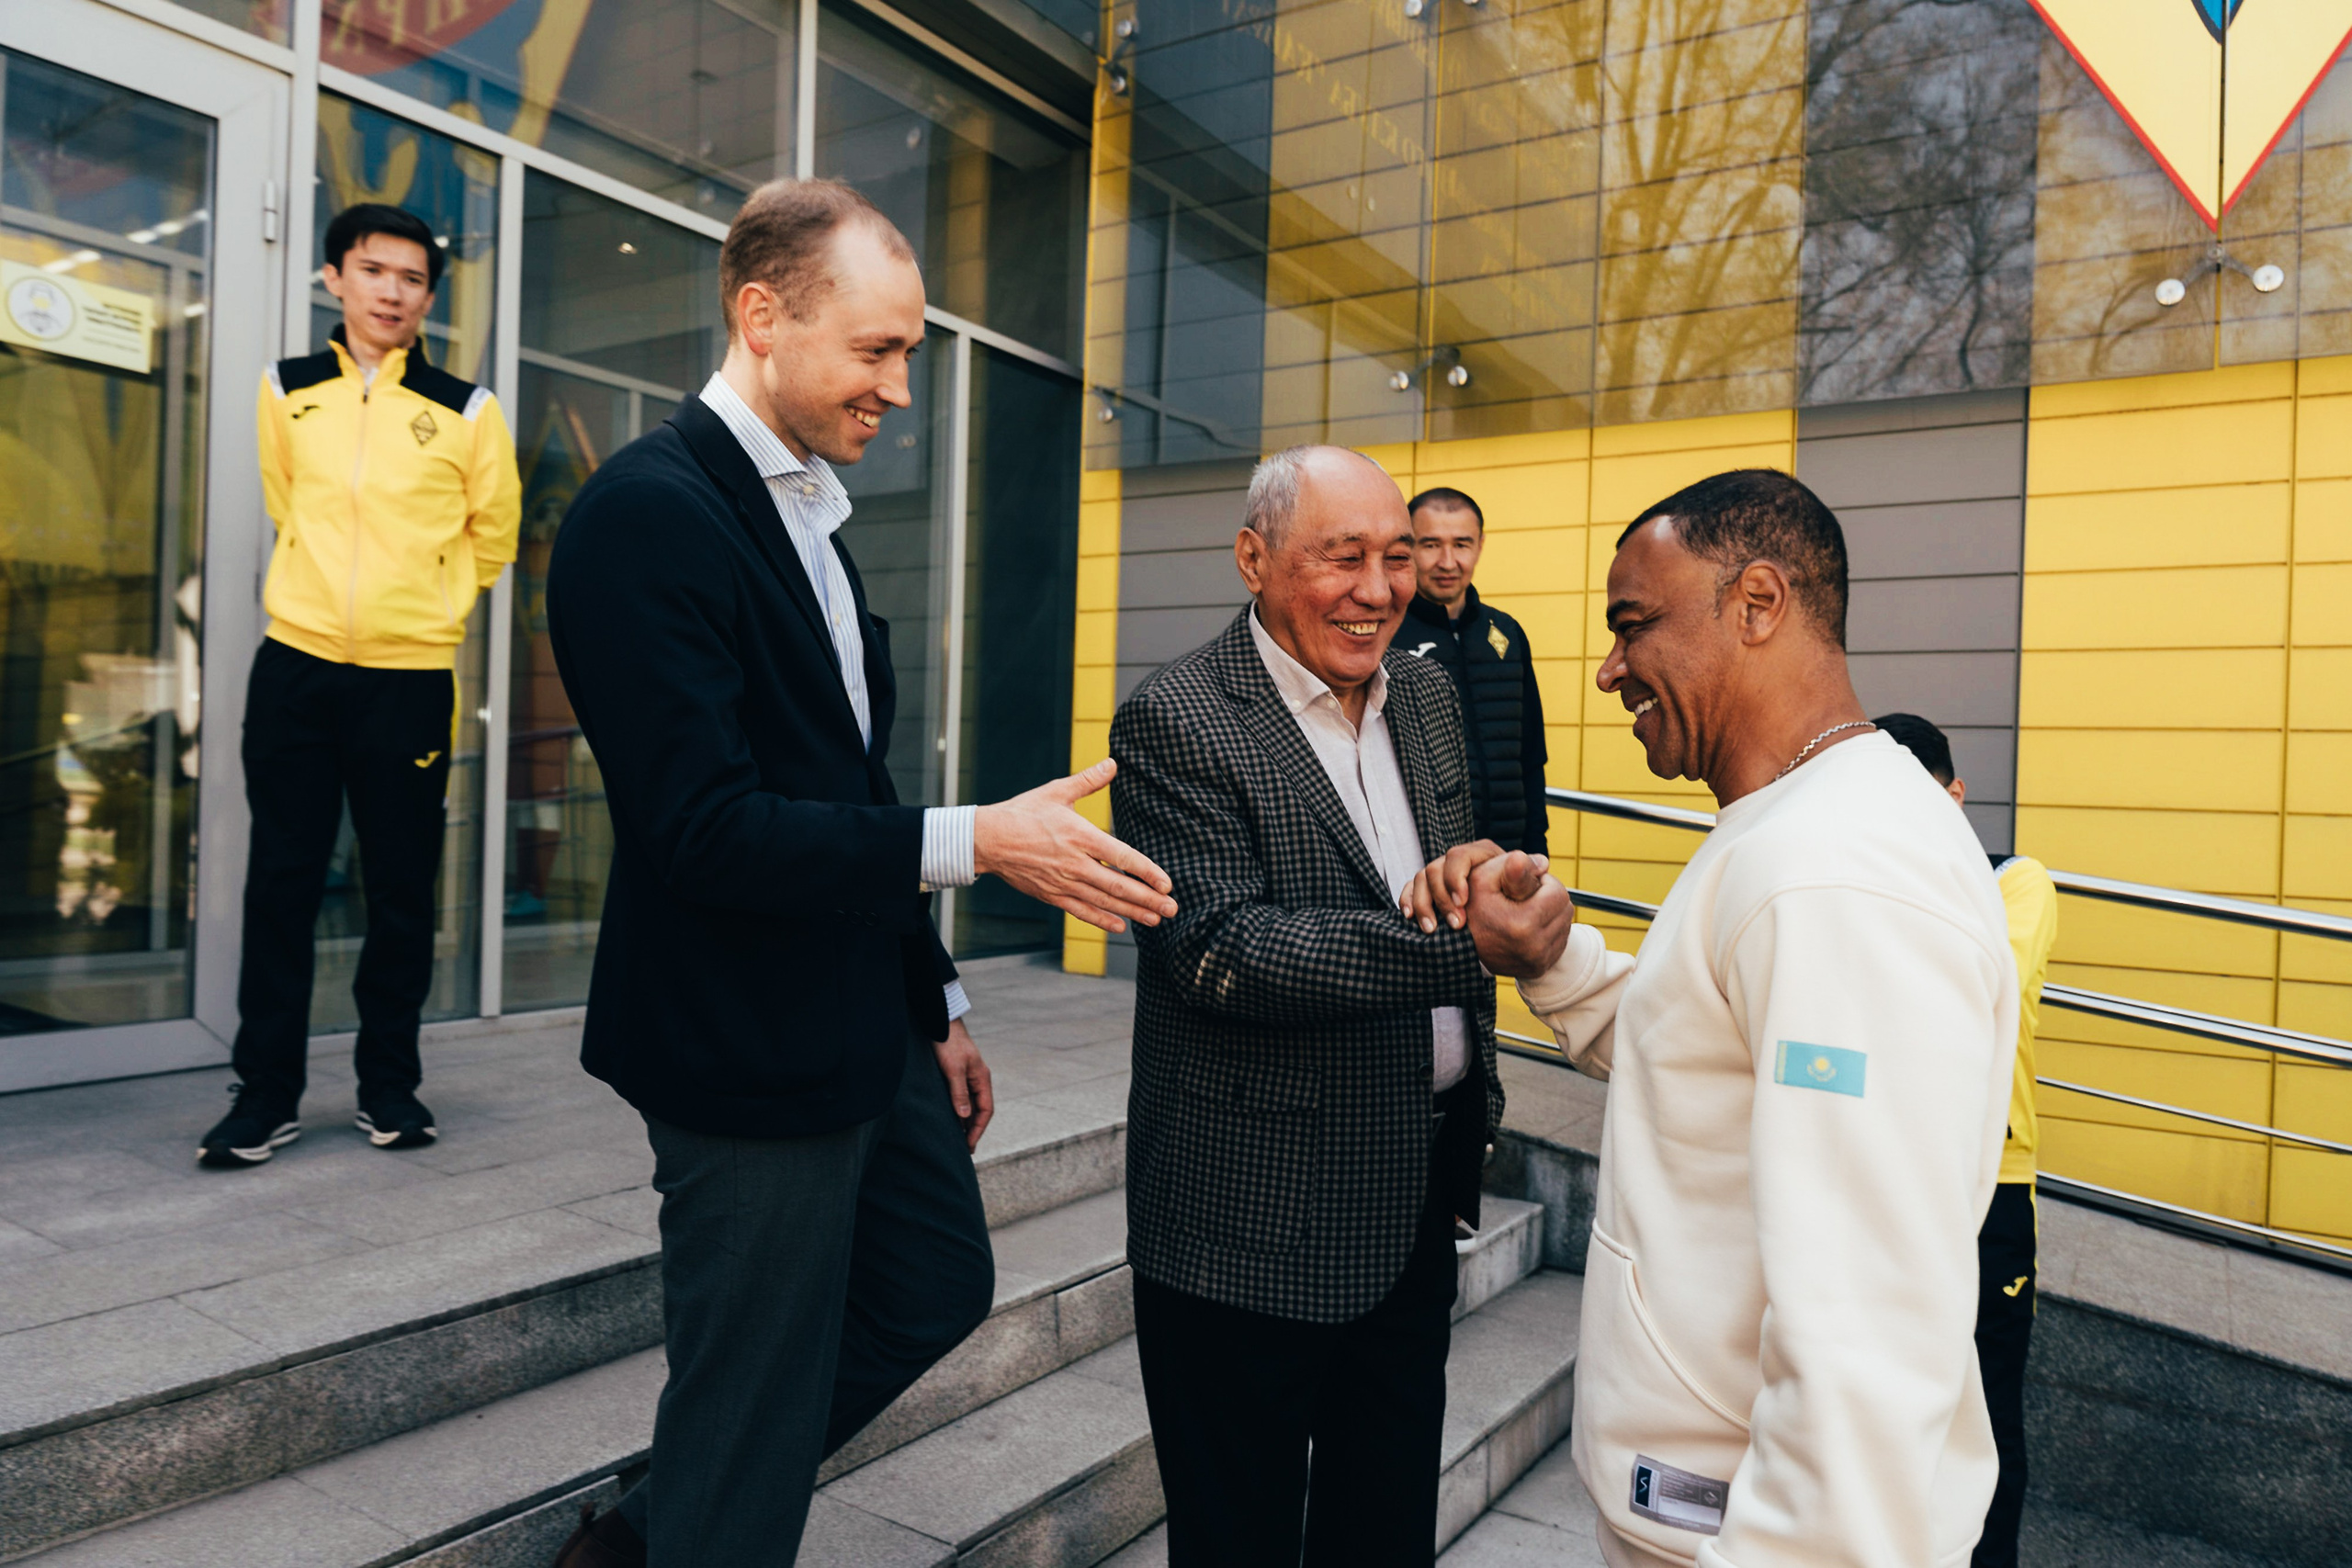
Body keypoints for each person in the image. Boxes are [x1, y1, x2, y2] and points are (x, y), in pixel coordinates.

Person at [541, 180, 1175, 1568]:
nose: (899, 386)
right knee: (749, 1399)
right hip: (739, 1042)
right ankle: (693, 1521)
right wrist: (980, 839)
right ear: (761, 317)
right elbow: (704, 827)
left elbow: (843, 786)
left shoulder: (807, 516)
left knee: (934, 1278)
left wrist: (932, 991)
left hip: (861, 1018)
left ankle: (657, 1524)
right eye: (874, 351)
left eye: (909, 353)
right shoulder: (646, 515)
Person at [1405, 469, 2018, 1568]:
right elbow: (1703, 1054)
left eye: (1632, 624)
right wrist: (1553, 957)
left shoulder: (1833, 873)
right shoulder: (1797, 826)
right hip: (1697, 1507)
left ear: (1758, 603)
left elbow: (1865, 1322)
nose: (1605, 669)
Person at [1108, 445, 1576, 1567]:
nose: (1377, 591)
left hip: (1412, 1192)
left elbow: (1430, 866)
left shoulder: (1424, 690)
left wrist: (1473, 874)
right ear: (1253, 559)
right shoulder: (1176, 717)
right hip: (1246, 1218)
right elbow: (1221, 951)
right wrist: (1457, 944)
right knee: (1239, 1539)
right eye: (1342, 558)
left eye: (1397, 557)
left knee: (1383, 1528)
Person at [198, 204, 520, 1168]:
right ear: (334, 277)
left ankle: (391, 1088)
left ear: (430, 296)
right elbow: (282, 500)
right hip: (295, 666)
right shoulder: (286, 389)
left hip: (410, 677)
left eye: (412, 279)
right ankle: (265, 1096)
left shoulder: (467, 409)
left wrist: (430, 608)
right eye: (373, 271)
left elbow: (491, 534)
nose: (391, 291)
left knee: (399, 891)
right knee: (282, 885)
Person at [1873, 712, 2058, 1568]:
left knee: (1989, 1416)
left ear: (1956, 793)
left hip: (1993, 1187)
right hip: (1891, 1176)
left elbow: (1976, 990)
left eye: (1922, 804)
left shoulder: (2019, 881)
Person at [1399, 486, 1549, 855]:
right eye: (1431, 544)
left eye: (1462, 544)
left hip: (1508, 855)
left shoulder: (1507, 633)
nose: (1448, 562)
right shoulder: (1385, 635)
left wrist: (1536, 851)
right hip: (1425, 863)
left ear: (1480, 545)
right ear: (1407, 548)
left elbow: (1530, 754)